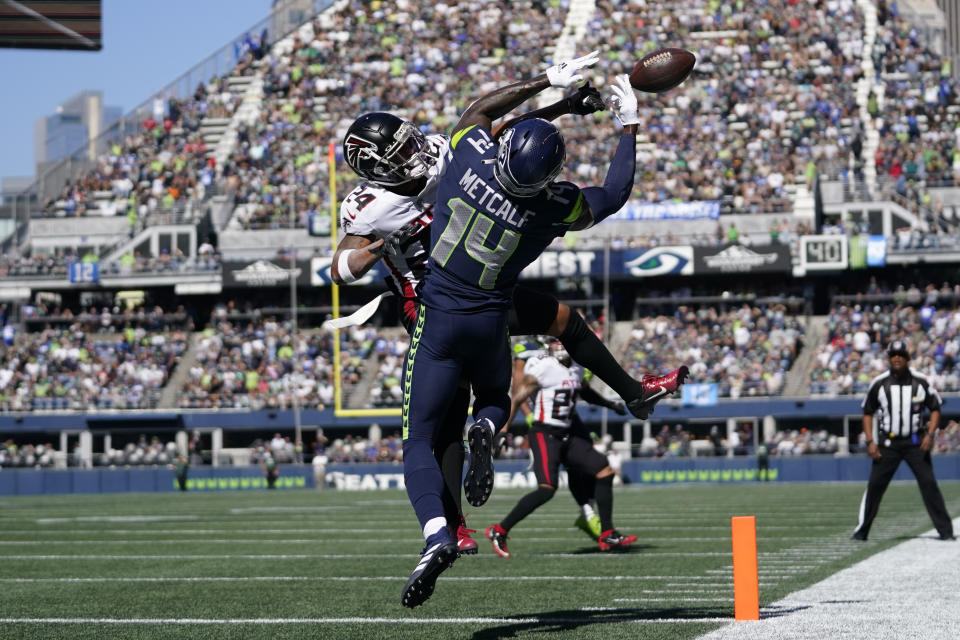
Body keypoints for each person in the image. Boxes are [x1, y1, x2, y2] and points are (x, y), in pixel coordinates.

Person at [334, 67, 686, 569]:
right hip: (447, 297)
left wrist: (559, 106)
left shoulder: (449, 158)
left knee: (555, 326)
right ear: (375, 169)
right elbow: (340, 267)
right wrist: (374, 248)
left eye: (411, 142)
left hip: (454, 297)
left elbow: (494, 136)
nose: (416, 153)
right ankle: (461, 514)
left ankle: (629, 391)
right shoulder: (375, 205)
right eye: (400, 154)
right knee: (470, 402)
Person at [486, 338, 635, 557]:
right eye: (556, 343)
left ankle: (608, 533)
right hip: (544, 433)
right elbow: (517, 398)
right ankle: (499, 530)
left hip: (567, 433)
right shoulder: (545, 366)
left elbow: (585, 392)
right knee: (547, 489)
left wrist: (610, 404)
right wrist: (503, 431)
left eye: (564, 342)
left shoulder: (577, 367)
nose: (561, 346)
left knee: (604, 471)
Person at [851, 340, 955, 541]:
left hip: (915, 443)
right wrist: (871, 441)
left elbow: (935, 408)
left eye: (900, 354)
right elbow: (867, 412)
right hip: (888, 444)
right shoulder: (880, 383)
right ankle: (861, 531)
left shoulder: (920, 381)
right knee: (875, 486)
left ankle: (946, 532)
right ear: (889, 358)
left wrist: (930, 435)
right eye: (893, 355)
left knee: (929, 484)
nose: (897, 358)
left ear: (907, 358)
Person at [508, 337, 602, 540]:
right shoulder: (526, 348)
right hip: (544, 417)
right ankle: (588, 514)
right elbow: (518, 390)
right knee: (549, 485)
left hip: (567, 415)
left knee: (590, 463)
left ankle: (589, 513)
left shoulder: (564, 342)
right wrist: (528, 415)